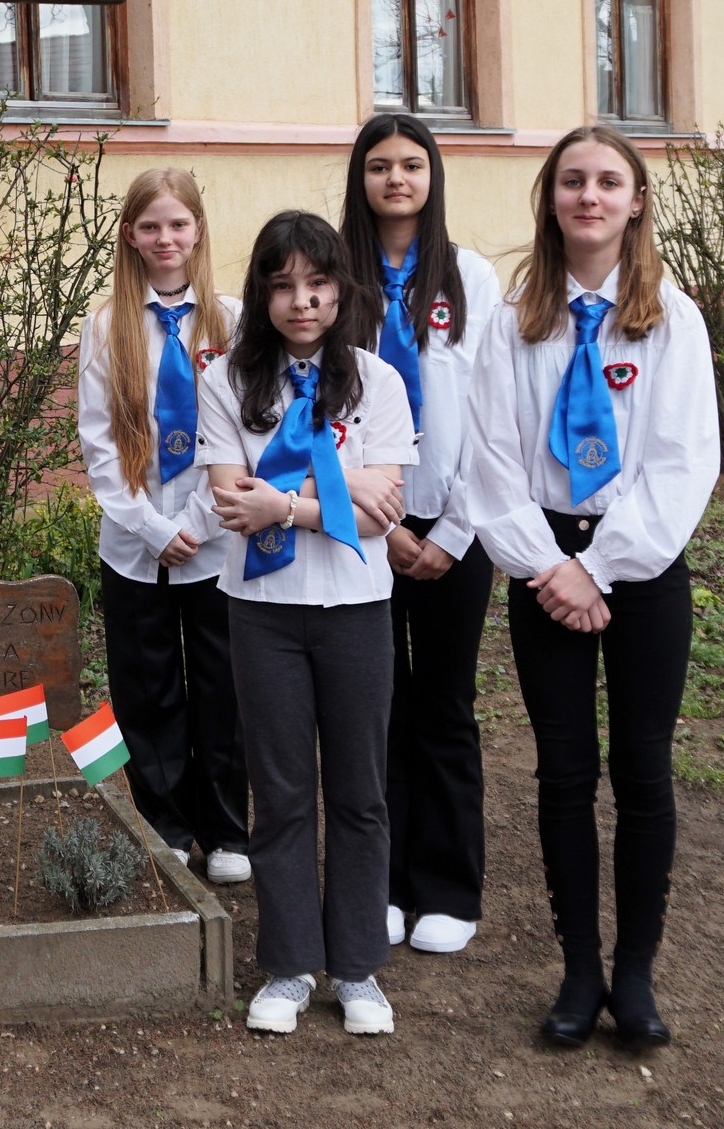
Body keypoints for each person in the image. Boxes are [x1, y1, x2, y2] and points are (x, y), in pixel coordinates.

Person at [466, 126, 717, 1049]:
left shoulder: (671, 318)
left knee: (643, 769)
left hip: (638, 569)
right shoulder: (514, 321)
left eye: (608, 182)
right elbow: (489, 461)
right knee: (564, 772)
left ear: (635, 201)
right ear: (551, 198)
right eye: (572, 181)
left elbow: (683, 461)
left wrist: (599, 567)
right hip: (543, 566)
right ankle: (578, 971)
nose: (588, 196)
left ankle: (636, 973)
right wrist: (549, 568)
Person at [198, 210, 414, 1036]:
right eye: (283, 285)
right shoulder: (225, 381)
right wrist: (343, 486)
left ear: (339, 289)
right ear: (261, 293)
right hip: (262, 614)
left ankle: (356, 969)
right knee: (281, 792)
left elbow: (384, 513)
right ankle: (288, 966)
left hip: (356, 609)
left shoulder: (375, 381)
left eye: (317, 284)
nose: (302, 302)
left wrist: (286, 501)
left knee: (359, 793)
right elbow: (230, 503)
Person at [339, 113, 502, 955]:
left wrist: (455, 530)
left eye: (410, 164)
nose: (395, 179)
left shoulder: (470, 277)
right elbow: (317, 409)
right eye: (378, 166)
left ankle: (446, 885)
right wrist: (377, 525)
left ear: (432, 175)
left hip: (451, 528)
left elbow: (493, 416)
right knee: (374, 709)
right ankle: (383, 884)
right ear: (359, 178)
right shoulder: (334, 276)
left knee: (443, 705)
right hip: (360, 526)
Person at [77, 167, 249, 884]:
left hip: (218, 538)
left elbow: (248, 429)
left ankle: (227, 829)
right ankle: (166, 825)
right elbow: (98, 444)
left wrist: (201, 521)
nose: (165, 238)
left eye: (177, 224)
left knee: (222, 682)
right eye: (150, 226)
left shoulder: (232, 320)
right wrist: (152, 527)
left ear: (198, 230)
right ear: (130, 236)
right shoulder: (105, 327)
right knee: (147, 687)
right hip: (135, 542)